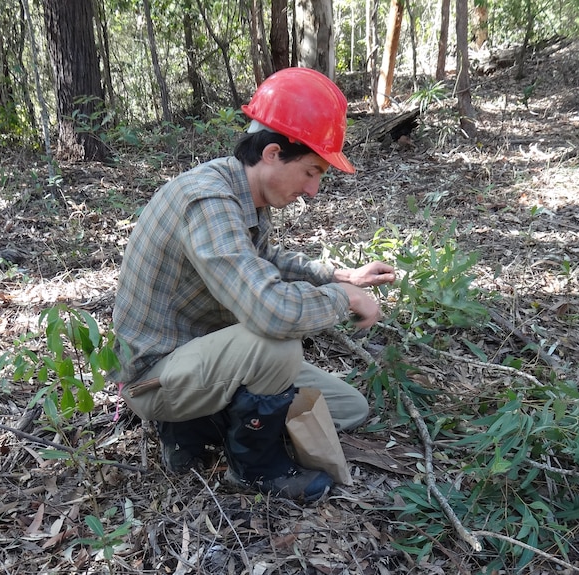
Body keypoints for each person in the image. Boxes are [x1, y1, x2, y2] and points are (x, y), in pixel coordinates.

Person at [111, 67, 396, 503]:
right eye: (311, 172)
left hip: (207, 352)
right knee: (276, 344)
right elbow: (272, 311)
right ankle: (255, 470)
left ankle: (195, 425)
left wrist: (341, 276)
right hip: (155, 375)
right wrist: (343, 298)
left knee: (347, 408)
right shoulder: (208, 200)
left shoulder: (244, 193)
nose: (314, 190)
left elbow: (264, 261)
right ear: (273, 153)